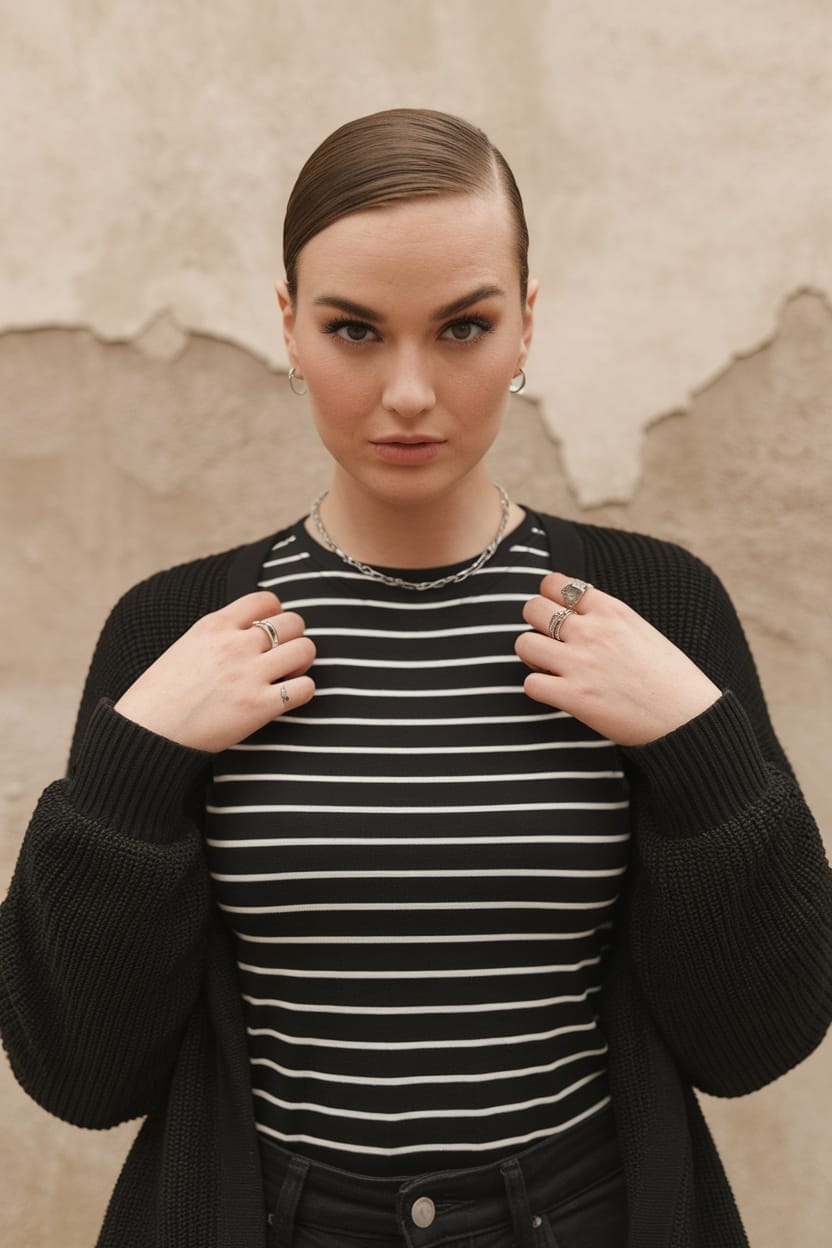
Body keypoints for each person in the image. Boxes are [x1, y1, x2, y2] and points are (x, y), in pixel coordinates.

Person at [1, 108, 830, 1248]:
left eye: (461, 327)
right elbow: (78, 1076)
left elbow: (756, 1043)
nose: (405, 392)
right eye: (353, 330)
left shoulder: (657, 605)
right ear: (287, 327)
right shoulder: (173, 628)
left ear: (526, 324)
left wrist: (702, 751)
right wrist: (131, 778)